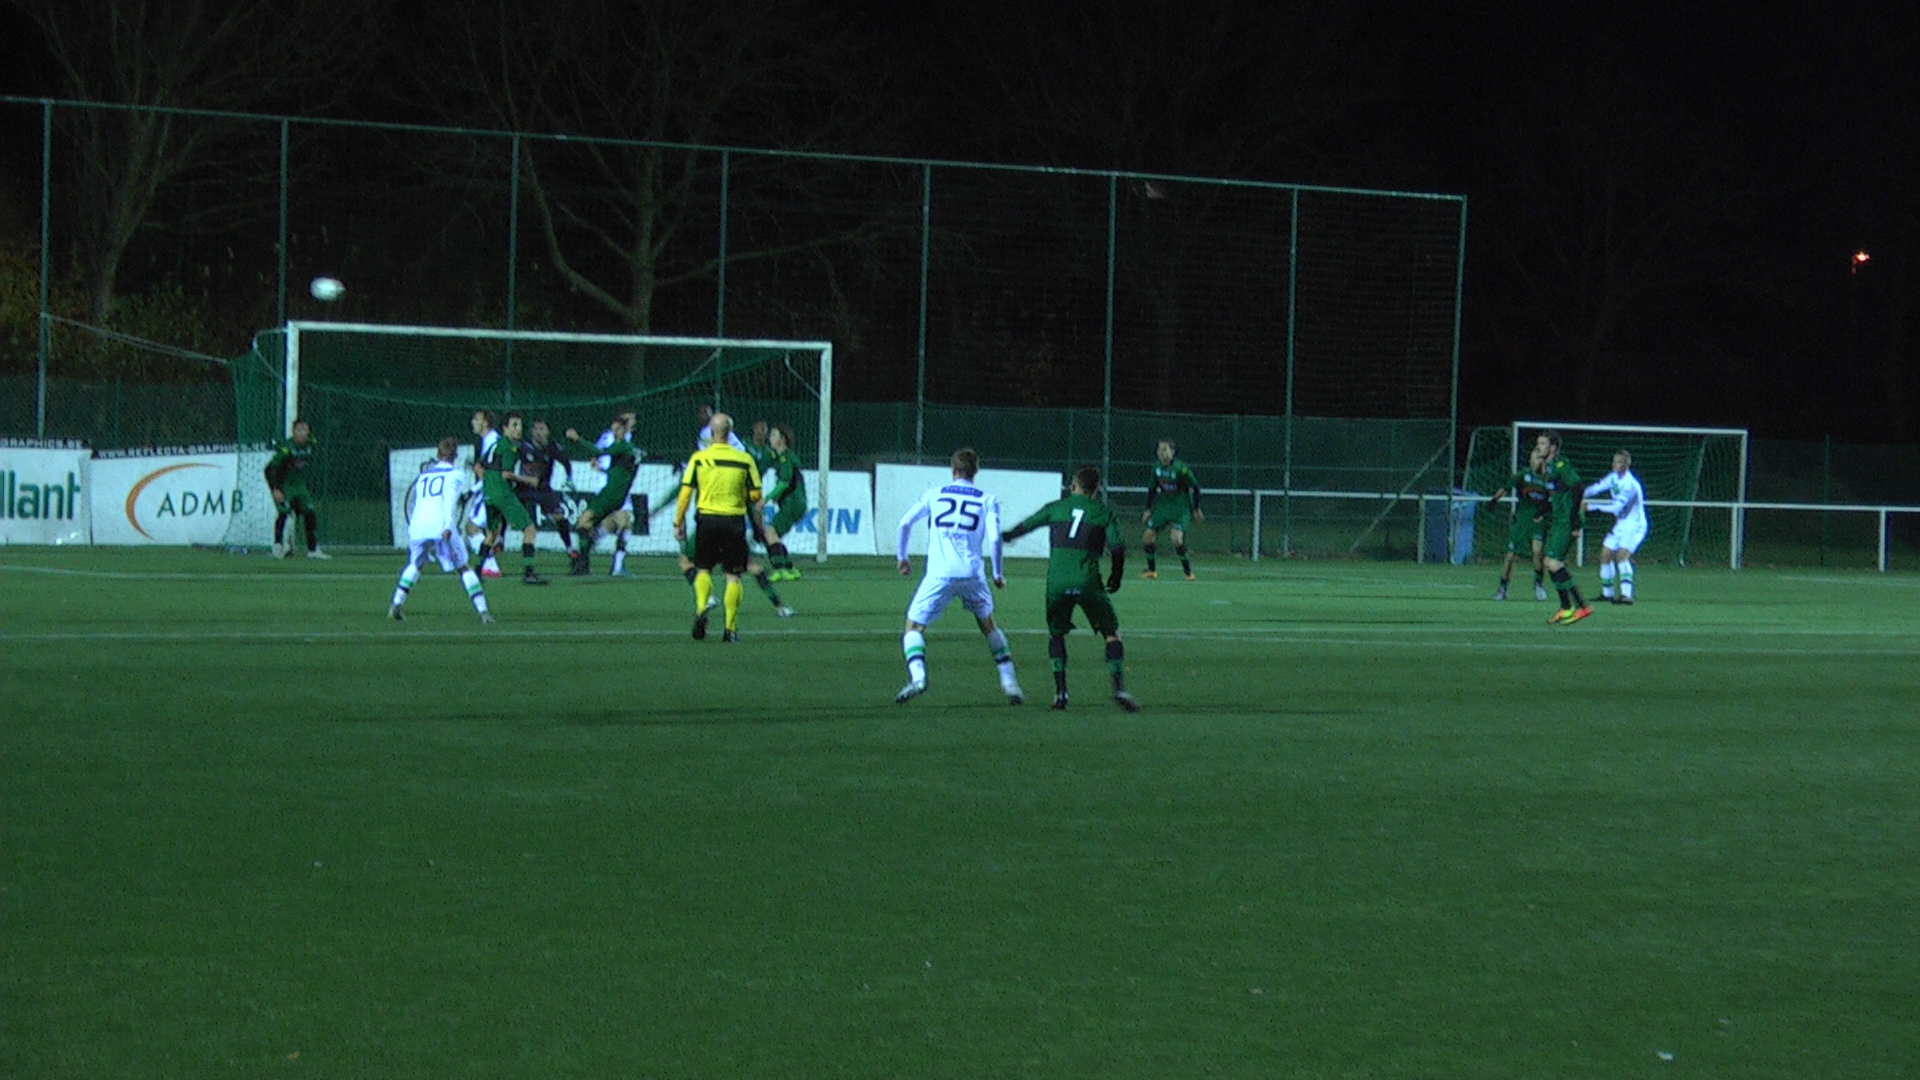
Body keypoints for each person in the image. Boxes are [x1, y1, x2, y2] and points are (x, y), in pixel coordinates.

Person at [893, 448, 1024, 705]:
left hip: (939, 574)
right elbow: (995, 538)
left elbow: (904, 523)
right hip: (972, 574)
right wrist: (997, 573)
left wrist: (902, 557)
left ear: (953, 470)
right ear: (976, 471)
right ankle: (1010, 683)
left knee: (914, 627)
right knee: (988, 625)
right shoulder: (987, 500)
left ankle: (918, 678)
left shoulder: (934, 494)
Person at [1002, 466, 1139, 712]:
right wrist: (1116, 576)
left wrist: (1006, 536)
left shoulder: (1055, 508)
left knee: (1057, 634)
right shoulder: (1103, 512)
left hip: (1057, 582)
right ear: (1097, 489)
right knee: (1111, 632)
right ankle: (1118, 688)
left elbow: (1027, 525)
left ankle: (1061, 693)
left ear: (1073, 486)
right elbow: (1117, 548)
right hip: (1088, 581)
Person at [674, 412, 761, 642]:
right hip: (734, 521)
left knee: (703, 569)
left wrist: (678, 522)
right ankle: (730, 629)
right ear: (730, 433)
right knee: (733, 576)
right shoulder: (745, 459)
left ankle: (701, 608)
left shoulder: (699, 458)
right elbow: (756, 494)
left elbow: (685, 493)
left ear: (712, 433)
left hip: (707, 520)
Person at [389, 437, 493, 624]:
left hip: (418, 526)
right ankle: (483, 612)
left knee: (415, 564)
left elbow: (417, 503)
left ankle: (396, 604)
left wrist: (413, 527)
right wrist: (447, 525)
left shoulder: (422, 477)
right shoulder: (456, 475)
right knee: (463, 567)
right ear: (455, 456)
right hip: (442, 525)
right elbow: (449, 500)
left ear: (437, 454)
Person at [472, 410, 548, 585]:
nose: (518, 429)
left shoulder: (495, 445)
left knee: (491, 534)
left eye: (520, 425)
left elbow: (478, 466)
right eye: (514, 425)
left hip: (489, 494)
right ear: (505, 428)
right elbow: (506, 474)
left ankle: (476, 571)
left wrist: (488, 483)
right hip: (502, 493)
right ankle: (529, 573)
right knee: (529, 529)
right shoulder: (510, 447)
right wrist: (528, 480)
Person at [564, 410, 642, 577]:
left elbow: (602, 454)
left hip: (612, 493)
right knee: (600, 525)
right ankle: (591, 562)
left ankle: (589, 563)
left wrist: (578, 439)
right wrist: (601, 469)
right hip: (609, 491)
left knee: (612, 524)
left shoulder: (624, 444)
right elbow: (608, 459)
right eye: (630, 419)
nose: (634, 422)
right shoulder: (618, 442)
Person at [1535, 430, 1593, 625]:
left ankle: (1581, 606)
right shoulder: (1549, 467)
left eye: (1543, 444)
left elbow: (1578, 487)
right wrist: (1541, 511)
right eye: (1538, 443)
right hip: (1560, 519)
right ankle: (1566, 607)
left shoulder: (1562, 465)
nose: (1539, 447)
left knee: (1553, 562)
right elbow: (1555, 495)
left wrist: (1574, 520)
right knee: (1549, 562)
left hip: (1567, 520)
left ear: (1552, 448)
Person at [1486, 443, 1553, 601]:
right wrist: (1494, 500)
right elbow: (1506, 487)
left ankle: (1538, 584)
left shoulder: (1548, 479)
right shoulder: (1524, 475)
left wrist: (1547, 511)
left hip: (1538, 520)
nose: (1537, 462)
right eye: (1534, 458)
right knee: (1510, 555)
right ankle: (1502, 588)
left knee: (1537, 552)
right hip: (1522, 520)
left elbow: (1553, 498)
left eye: (1540, 459)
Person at [1581, 449, 1648, 604]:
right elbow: (1596, 488)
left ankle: (1626, 595)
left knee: (1622, 556)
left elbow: (1616, 508)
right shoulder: (1613, 478)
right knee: (1605, 555)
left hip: (1635, 525)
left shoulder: (1630, 485)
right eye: (1614, 461)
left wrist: (1590, 507)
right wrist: (1578, 494)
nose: (1614, 465)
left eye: (1618, 462)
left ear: (1626, 464)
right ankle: (1607, 593)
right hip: (1622, 524)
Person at [516, 418, 579, 570]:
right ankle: (499, 541)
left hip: (544, 489)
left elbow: (566, 462)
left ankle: (570, 548)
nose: (538, 432)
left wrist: (569, 478)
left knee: (559, 517)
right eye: (536, 429)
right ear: (531, 432)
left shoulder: (553, 448)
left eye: (542, 429)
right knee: (528, 526)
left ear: (547, 432)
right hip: (525, 490)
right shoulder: (523, 446)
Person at [1140, 438, 1203, 580]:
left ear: (1173, 452)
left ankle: (1188, 573)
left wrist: (1196, 508)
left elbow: (1195, 487)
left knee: (1176, 539)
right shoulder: (1156, 468)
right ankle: (1151, 570)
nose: (1161, 452)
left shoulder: (1181, 468)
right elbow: (1152, 490)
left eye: (1164, 449)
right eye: (1159, 449)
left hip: (1180, 509)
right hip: (1163, 508)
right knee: (1147, 537)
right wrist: (1148, 509)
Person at [266, 418, 328, 559]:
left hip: (300, 486)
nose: (302, 433)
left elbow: (315, 444)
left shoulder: (311, 443)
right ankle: (277, 546)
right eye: (298, 430)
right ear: (293, 432)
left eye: (304, 430)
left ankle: (312, 550)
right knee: (283, 513)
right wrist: (275, 489)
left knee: (310, 513)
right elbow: (270, 469)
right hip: (286, 485)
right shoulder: (286, 448)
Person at [760, 423, 806, 581]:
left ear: (782, 439)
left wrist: (765, 499)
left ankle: (779, 569)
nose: (770, 438)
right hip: (794, 503)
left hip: (792, 503)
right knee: (773, 535)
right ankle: (790, 569)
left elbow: (784, 483)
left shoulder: (785, 457)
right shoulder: (782, 457)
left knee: (769, 533)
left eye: (774, 435)